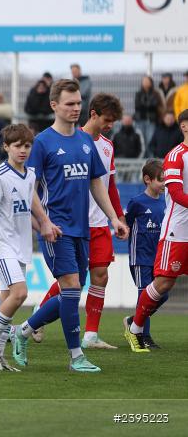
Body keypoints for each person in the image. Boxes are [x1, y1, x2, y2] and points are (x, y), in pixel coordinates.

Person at [9, 80, 128, 372]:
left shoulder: (86, 141)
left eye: (78, 103)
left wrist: (114, 217)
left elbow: (96, 183)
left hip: (82, 230)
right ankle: (76, 357)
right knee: (72, 288)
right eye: (69, 104)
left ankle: (22, 331)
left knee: (69, 294)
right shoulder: (43, 143)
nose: (75, 108)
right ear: (54, 106)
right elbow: (29, 188)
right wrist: (44, 222)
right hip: (56, 230)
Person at [0, 124, 39, 371]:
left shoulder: (30, 175)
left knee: (5, 300)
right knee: (20, 293)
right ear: (6, 147)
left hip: (21, 245)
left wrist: (43, 225)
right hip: (2, 245)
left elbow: (25, 209)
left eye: (27, 146)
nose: (23, 150)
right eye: (17, 146)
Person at [124, 111, 188, 353]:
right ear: (184, 126)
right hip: (178, 232)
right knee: (163, 284)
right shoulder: (175, 156)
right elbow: (177, 194)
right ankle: (136, 329)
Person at [79, 93, 127, 350]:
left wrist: (118, 218)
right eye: (107, 120)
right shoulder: (73, 140)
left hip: (99, 224)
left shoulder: (108, 146)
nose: (110, 125)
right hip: (75, 223)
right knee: (72, 280)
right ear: (93, 113)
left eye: (114, 121)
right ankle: (40, 315)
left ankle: (90, 335)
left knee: (100, 276)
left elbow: (110, 187)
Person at [124, 160, 165, 349]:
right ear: (147, 179)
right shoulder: (137, 202)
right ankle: (144, 336)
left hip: (158, 258)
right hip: (140, 256)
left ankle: (134, 321)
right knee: (145, 294)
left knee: (161, 295)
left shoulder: (165, 202)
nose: (164, 183)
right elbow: (126, 223)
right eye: (161, 180)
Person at [134, 76, 164, 152]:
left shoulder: (155, 93)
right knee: (141, 140)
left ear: (151, 83)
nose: (145, 83)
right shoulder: (138, 93)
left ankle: (150, 158)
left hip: (151, 121)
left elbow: (154, 105)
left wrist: (145, 105)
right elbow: (137, 106)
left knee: (150, 140)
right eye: (144, 81)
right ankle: (142, 158)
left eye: (147, 81)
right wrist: (148, 104)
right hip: (140, 120)